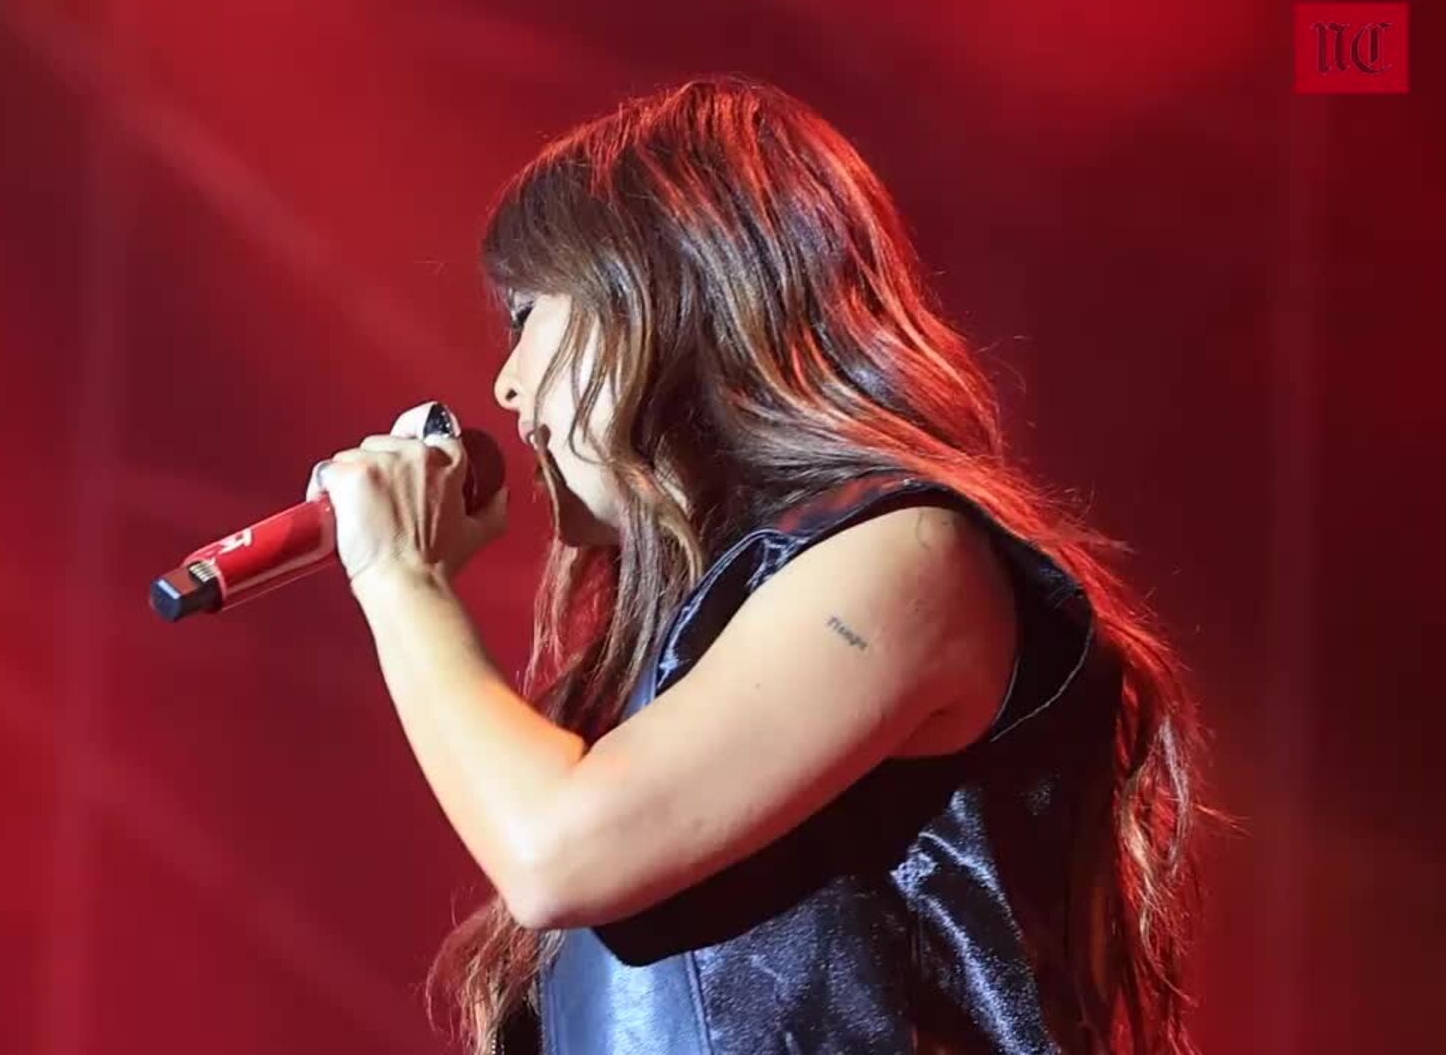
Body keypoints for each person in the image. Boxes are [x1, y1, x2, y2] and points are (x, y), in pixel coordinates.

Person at [308, 75, 1208, 1055]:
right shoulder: (699, 649)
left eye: (530, 316)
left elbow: (557, 850)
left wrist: (402, 579)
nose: (507, 383)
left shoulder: (908, 557)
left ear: (672, 289)